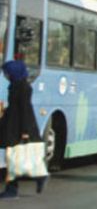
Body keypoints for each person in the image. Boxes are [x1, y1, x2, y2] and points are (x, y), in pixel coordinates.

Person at [0, 60, 48, 199]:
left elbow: (25, 109)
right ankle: (38, 177)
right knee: (14, 157)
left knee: (13, 157)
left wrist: (25, 132)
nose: (5, 75)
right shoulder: (16, 85)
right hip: (13, 125)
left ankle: (12, 189)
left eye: (7, 72)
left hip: (18, 127)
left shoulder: (22, 88)